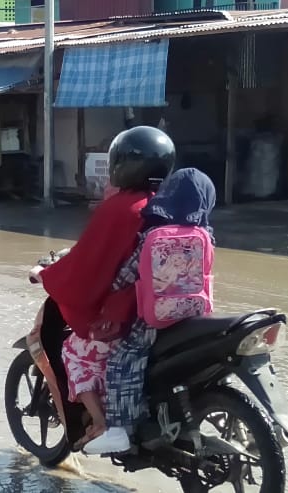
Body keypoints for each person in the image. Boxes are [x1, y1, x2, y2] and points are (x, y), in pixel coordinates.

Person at [29, 126, 175, 451]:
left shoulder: (123, 208)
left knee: (73, 352)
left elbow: (85, 267)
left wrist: (46, 274)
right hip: (171, 312)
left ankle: (100, 422)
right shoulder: (171, 205)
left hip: (128, 316)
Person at [84, 167, 218, 455]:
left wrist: (108, 289)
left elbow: (127, 276)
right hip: (195, 315)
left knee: (122, 360)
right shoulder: (205, 234)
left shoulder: (154, 234)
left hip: (155, 320)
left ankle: (119, 430)